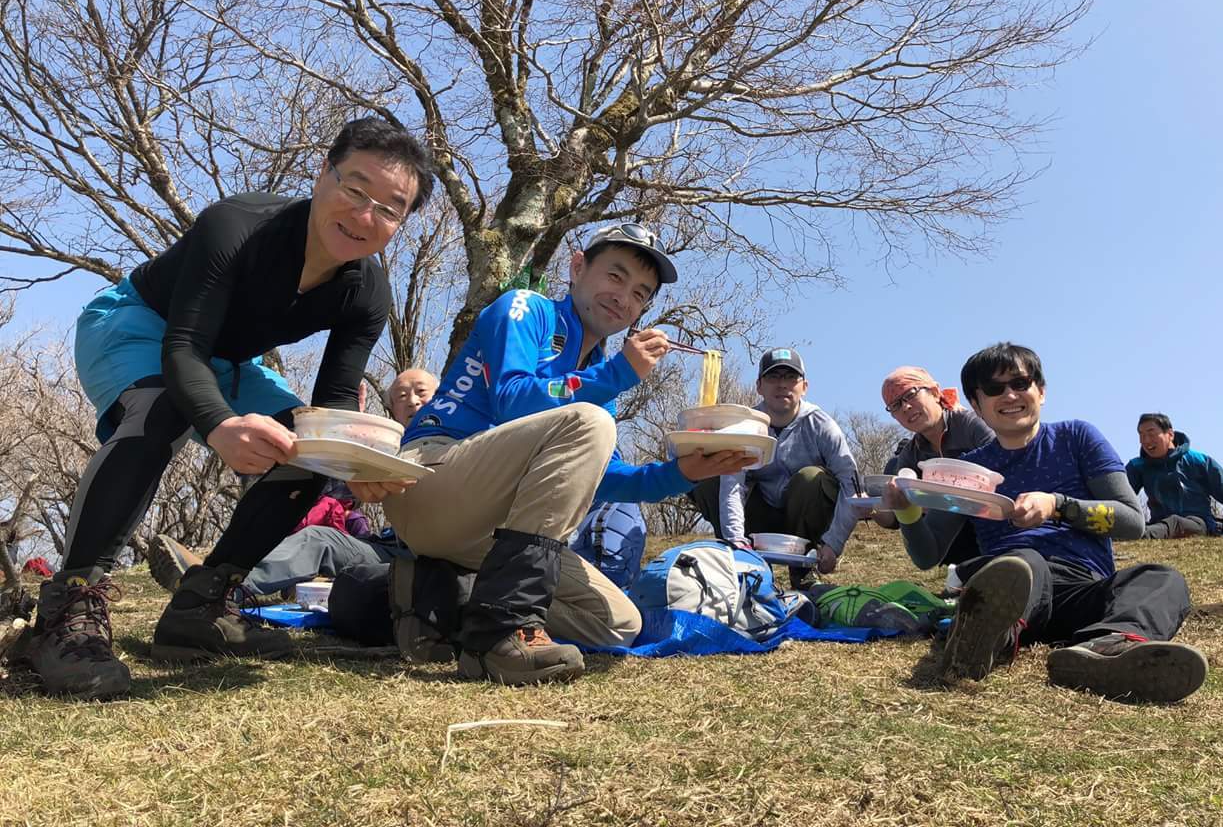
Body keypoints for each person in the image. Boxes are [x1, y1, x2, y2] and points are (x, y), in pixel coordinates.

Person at [23, 118, 432, 699]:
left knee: (313, 443)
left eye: (389, 209)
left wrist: (356, 462)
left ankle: (203, 602)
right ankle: (68, 610)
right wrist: (217, 424)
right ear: (322, 175)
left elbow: (338, 399)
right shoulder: (237, 225)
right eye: (355, 189)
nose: (366, 216)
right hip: (141, 324)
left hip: (230, 361)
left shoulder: (366, 290)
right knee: (166, 408)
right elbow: (183, 349)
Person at [367, 224, 754, 685]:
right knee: (590, 421)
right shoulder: (526, 309)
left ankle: (442, 597)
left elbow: (605, 479)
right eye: (615, 276)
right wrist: (616, 374)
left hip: (492, 533)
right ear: (576, 267)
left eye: (639, 293)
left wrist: (683, 472)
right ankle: (501, 631)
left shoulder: (598, 376)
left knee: (618, 624)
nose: (624, 297)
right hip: (430, 476)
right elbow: (511, 398)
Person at [882, 342, 1207, 703]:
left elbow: (1131, 521)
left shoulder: (1077, 438)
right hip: (1014, 588)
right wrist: (907, 512)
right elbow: (928, 555)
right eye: (993, 389)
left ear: (1041, 390)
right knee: (1023, 563)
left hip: (1081, 587)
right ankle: (980, 640)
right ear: (976, 404)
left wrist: (1058, 505)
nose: (1009, 395)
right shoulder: (967, 471)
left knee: (1163, 578)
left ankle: (1106, 649)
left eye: (1021, 383)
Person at [147, 368, 440, 597]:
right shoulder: (387, 445)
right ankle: (214, 588)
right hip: (388, 550)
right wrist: (351, 435)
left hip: (440, 556)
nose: (412, 400)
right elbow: (333, 489)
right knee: (317, 539)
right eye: (401, 396)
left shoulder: (464, 435)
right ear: (392, 409)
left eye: (421, 392)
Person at [689, 348, 864, 588]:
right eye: (773, 377)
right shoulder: (746, 426)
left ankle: (804, 572)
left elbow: (851, 483)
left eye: (791, 377)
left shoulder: (822, 425)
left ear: (805, 386)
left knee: (812, 478)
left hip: (804, 521)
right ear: (759, 386)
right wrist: (735, 538)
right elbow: (732, 486)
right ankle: (744, 566)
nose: (782, 385)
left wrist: (834, 544)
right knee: (712, 475)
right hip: (756, 519)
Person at [880, 365, 995, 566]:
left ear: (934, 392)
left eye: (910, 395)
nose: (905, 407)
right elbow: (899, 525)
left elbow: (1006, 467)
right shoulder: (910, 455)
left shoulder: (970, 424)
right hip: (952, 532)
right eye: (896, 405)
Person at [1126, 413, 1223, 539]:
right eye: (1142, 436)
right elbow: (1119, 497)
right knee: (1164, 524)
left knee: (1175, 522)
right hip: (1159, 524)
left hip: (1198, 523)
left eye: (1151, 434)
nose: (1146, 440)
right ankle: (1142, 533)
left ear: (1170, 434)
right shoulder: (1137, 466)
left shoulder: (1198, 460)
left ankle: (1143, 535)